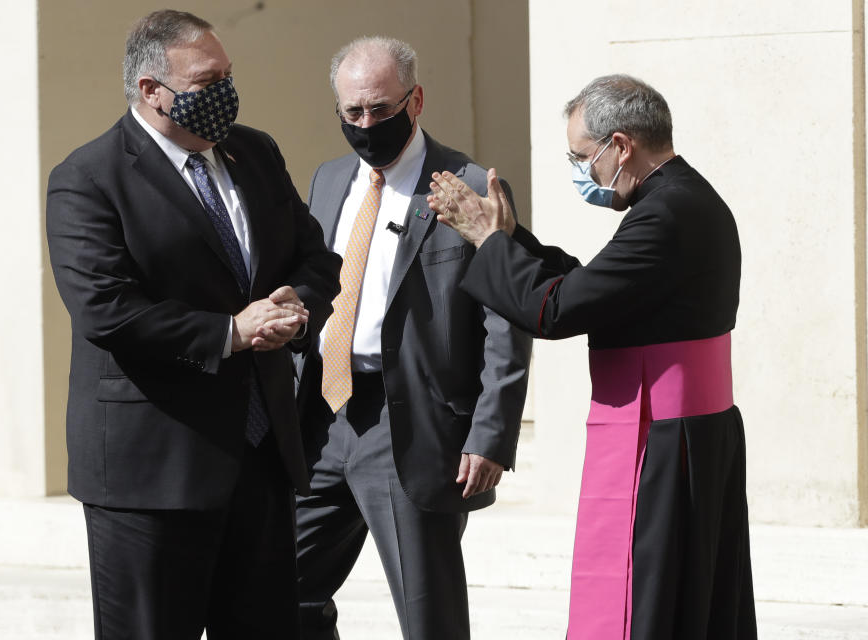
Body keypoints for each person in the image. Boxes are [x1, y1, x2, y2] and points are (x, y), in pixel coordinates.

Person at [45, 10, 341, 640]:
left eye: (228, 75)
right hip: (152, 474)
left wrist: (296, 302)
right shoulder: (88, 178)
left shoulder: (253, 151)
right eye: (209, 81)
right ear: (152, 90)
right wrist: (232, 332)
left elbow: (316, 257)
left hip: (260, 460)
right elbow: (105, 307)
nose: (227, 93)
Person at [428, 74, 757, 639]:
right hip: (687, 434)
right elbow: (590, 285)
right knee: (688, 597)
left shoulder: (665, 214)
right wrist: (509, 239)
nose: (584, 171)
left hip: (664, 440)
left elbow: (553, 312)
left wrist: (489, 242)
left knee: (651, 597)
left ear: (621, 146)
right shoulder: (681, 197)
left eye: (583, 156)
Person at [294, 36, 532, 640]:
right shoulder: (329, 180)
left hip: (411, 425)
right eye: (352, 113)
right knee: (279, 589)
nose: (366, 124)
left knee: (429, 615)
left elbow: (506, 317)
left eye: (379, 109)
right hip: (322, 418)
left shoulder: (468, 185)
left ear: (415, 100)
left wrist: (491, 434)